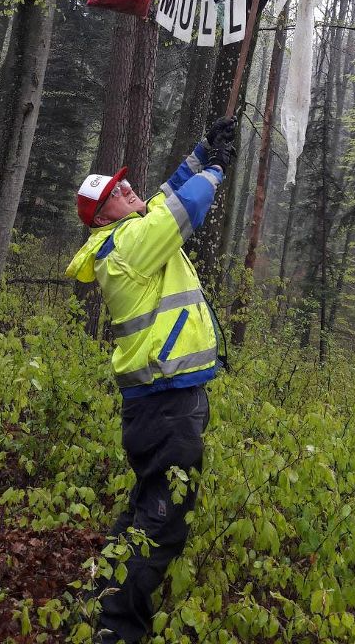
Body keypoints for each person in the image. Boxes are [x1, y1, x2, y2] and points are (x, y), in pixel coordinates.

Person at [66, 115, 238, 644]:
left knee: (148, 505)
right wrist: (219, 169)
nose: (128, 187)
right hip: (165, 401)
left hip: (161, 402)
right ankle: (116, 631)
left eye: (123, 181)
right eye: (117, 191)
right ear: (103, 218)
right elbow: (182, 209)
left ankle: (100, 598)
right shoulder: (128, 246)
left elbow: (163, 195)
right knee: (162, 522)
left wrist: (201, 150)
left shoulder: (127, 235)